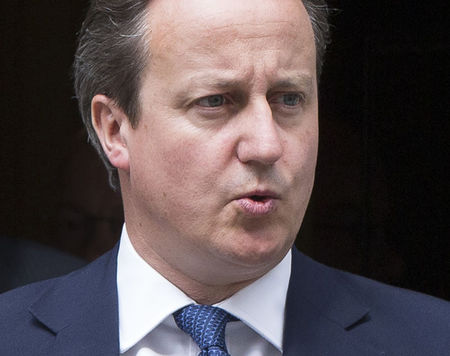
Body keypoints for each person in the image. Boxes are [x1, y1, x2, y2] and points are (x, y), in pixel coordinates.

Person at [0, 0, 449, 355]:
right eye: (216, 101)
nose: (267, 145)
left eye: (289, 99)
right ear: (115, 129)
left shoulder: (430, 340)